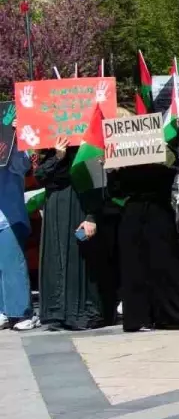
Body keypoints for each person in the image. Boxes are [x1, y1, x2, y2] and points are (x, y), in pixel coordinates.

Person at [25, 138, 116, 331]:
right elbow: (41, 176)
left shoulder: (86, 149)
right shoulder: (50, 152)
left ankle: (81, 312)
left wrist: (91, 216)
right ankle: (57, 313)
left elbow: (97, 183)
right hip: (55, 211)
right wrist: (58, 156)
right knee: (56, 258)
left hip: (79, 209)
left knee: (79, 258)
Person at [109, 139, 179, 332]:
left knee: (167, 263)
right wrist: (113, 169)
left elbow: (170, 179)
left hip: (159, 213)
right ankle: (139, 318)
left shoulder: (164, 160)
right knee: (135, 266)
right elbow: (113, 191)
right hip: (132, 215)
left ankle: (176, 316)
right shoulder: (121, 166)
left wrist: (166, 159)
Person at [0, 148, 33, 329]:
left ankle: (22, 312)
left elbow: (23, 165)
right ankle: (3, 311)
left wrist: (15, 141)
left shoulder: (14, 139)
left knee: (12, 264)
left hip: (9, 215)